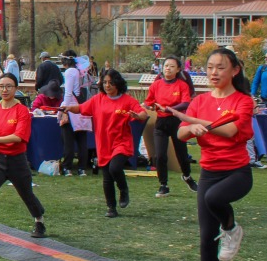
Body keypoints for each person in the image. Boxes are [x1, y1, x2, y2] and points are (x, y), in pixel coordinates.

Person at [168, 48, 255, 261]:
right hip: (209, 171)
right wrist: (189, 127)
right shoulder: (200, 100)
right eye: (209, 67)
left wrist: (194, 121)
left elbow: (230, 130)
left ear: (234, 70)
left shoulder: (243, 101)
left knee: (213, 198)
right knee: (206, 238)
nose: (214, 72)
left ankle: (231, 228)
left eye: (220, 67)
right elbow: (181, 132)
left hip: (237, 172)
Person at [0, 73, 47, 249]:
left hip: (17, 161)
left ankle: (39, 220)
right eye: (1, 86)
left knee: (27, 195)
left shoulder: (22, 112)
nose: (4, 90)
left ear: (15, 89)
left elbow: (18, 137)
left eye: (8, 86)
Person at [62, 68, 148, 217]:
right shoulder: (98, 99)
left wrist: (137, 115)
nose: (108, 85)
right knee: (107, 176)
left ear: (118, 84)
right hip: (104, 143)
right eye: (105, 82)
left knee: (115, 168)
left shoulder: (127, 101)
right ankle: (111, 208)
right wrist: (68, 108)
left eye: (111, 83)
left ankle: (123, 189)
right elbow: (81, 108)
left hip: (121, 142)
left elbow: (143, 114)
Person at [144, 56, 198, 197]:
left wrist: (168, 109)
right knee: (160, 156)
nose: (168, 68)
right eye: (166, 65)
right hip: (161, 124)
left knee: (182, 154)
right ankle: (163, 185)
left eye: (172, 66)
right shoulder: (156, 85)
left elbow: (186, 103)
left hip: (177, 122)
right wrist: (142, 108)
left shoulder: (182, 85)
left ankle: (187, 176)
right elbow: (148, 102)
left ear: (178, 69)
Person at [58, 52, 91, 176]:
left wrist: (64, 109)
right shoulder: (81, 72)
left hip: (72, 107)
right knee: (82, 140)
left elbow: (68, 92)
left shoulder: (70, 72)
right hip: (82, 107)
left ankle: (67, 167)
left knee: (69, 140)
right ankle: (82, 168)